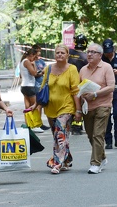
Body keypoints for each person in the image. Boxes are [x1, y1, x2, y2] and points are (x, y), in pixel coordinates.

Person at [30, 44, 82, 174]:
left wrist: (78, 110)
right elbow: (43, 88)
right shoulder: (48, 69)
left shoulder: (72, 69)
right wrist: (36, 105)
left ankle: (56, 163)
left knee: (60, 133)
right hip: (51, 108)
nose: (59, 55)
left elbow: (76, 90)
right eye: (57, 53)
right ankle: (66, 160)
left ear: (67, 55)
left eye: (62, 53)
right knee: (59, 136)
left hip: (67, 107)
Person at [79, 43, 115, 174]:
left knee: (97, 134)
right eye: (88, 52)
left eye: (93, 52)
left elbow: (111, 87)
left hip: (103, 105)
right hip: (87, 107)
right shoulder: (83, 70)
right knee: (90, 135)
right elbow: (79, 87)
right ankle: (102, 156)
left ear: (100, 55)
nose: (89, 54)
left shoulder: (107, 67)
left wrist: (95, 93)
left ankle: (95, 164)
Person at [68, 34, 88, 135]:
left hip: (67, 83)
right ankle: (77, 126)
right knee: (79, 104)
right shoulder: (85, 57)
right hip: (79, 84)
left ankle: (70, 123)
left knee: (70, 103)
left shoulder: (68, 52)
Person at [19, 48, 44, 132]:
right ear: (31, 55)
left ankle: (28, 124)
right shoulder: (26, 61)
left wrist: (34, 65)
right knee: (35, 106)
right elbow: (34, 73)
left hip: (24, 86)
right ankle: (35, 125)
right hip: (29, 86)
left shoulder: (23, 61)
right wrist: (36, 67)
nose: (35, 59)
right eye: (34, 57)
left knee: (28, 106)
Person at [31, 44, 50, 132]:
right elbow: (34, 74)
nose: (39, 54)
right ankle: (36, 123)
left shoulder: (41, 61)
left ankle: (40, 123)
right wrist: (40, 73)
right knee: (37, 105)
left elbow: (46, 69)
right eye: (38, 52)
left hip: (42, 84)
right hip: (35, 84)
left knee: (41, 105)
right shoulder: (31, 62)